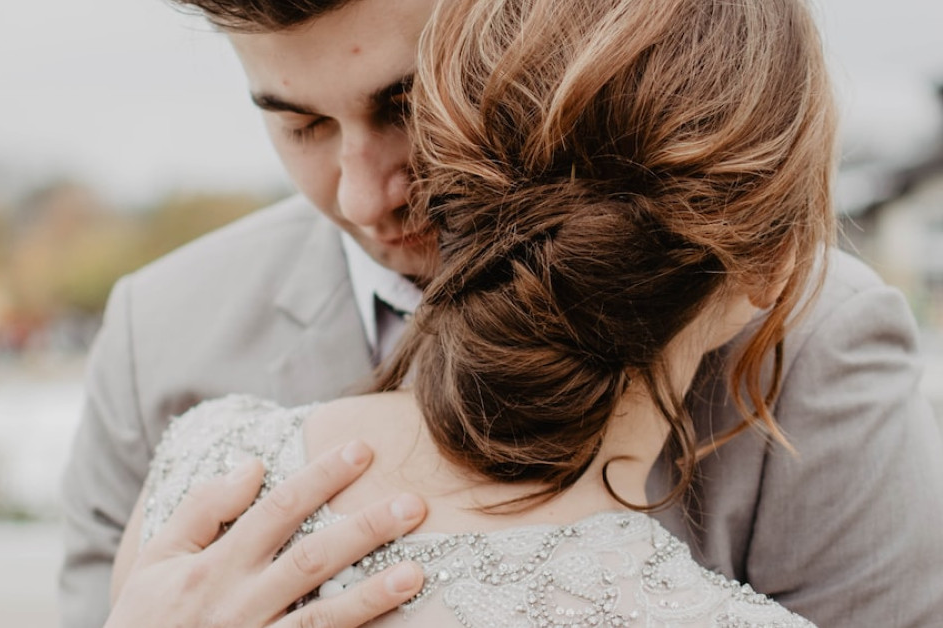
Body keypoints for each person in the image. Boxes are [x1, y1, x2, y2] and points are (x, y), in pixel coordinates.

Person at [59, 0, 943, 627]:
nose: (364, 196)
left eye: (402, 107)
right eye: (301, 127)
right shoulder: (158, 333)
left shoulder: (818, 333)